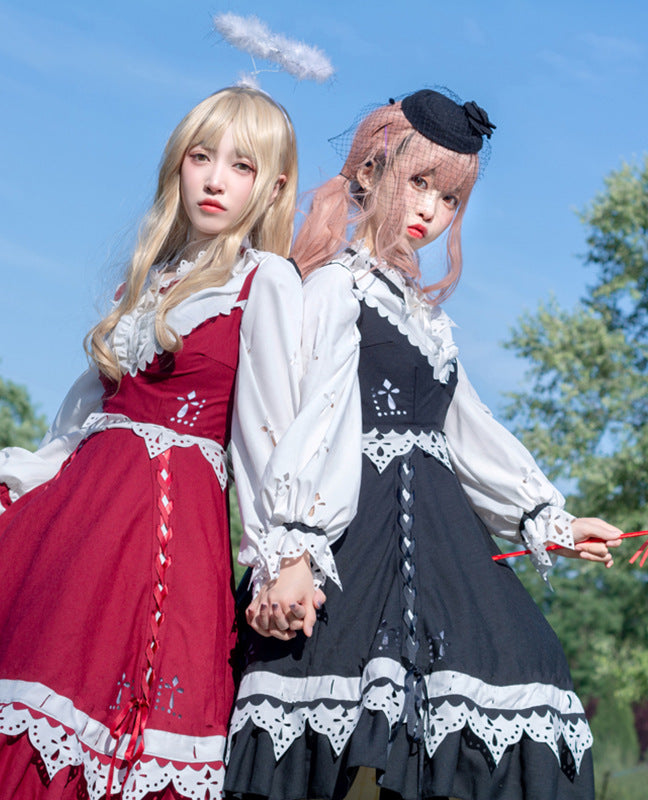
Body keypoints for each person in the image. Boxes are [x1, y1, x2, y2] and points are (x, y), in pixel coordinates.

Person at [0, 85, 307, 800]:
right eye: (201, 157)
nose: (216, 179)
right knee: (19, 741)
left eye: (242, 166)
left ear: (273, 186)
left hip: (159, 545)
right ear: (177, 165)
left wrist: (284, 556)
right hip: (68, 531)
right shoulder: (144, 284)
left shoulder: (265, 281)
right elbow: (72, 433)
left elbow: (272, 437)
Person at [224, 89, 623, 800]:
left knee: (526, 661)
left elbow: (469, 430)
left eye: (450, 198)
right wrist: (292, 549)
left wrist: (548, 519)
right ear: (369, 173)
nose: (431, 210)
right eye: (420, 183)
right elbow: (308, 419)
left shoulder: (427, 321)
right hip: (355, 529)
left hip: (443, 538)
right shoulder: (336, 288)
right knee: (333, 716)